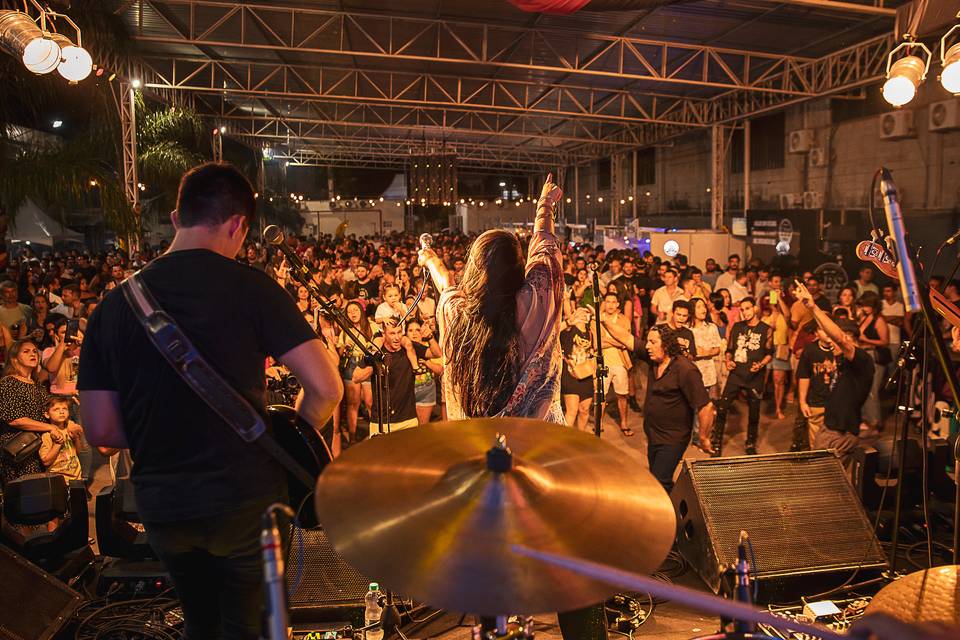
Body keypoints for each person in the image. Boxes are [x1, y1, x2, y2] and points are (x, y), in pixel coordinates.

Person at [78, 162, 343, 640]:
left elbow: (101, 432)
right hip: (246, 502)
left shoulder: (114, 306)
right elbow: (327, 388)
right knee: (255, 627)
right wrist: (291, 438)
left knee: (201, 624)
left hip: (164, 504)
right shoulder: (254, 289)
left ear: (177, 218)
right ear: (238, 224)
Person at [422, 175, 607, 640]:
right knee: (574, 570)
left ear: (474, 270)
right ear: (517, 268)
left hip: (479, 467)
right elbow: (545, 249)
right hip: (542, 459)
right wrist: (544, 206)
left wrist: (431, 262)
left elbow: (447, 287)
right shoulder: (538, 301)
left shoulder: (453, 313)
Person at [600, 320, 715, 489]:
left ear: (667, 345)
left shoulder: (685, 369)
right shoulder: (653, 359)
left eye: (653, 342)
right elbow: (626, 337)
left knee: (660, 481)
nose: (648, 346)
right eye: (647, 341)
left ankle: (670, 513)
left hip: (673, 438)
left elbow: (707, 407)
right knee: (656, 475)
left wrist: (704, 438)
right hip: (653, 434)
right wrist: (603, 319)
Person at [794, 280, 874, 470]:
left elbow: (840, 338)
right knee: (825, 478)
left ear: (850, 340)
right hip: (829, 428)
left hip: (841, 434)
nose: (831, 343)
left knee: (826, 479)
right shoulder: (842, 362)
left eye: (835, 340)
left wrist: (813, 307)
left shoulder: (862, 362)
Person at [1, 340, 80, 486]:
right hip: (21, 449)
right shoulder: (8, 383)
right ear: (14, 358)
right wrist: (50, 428)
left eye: (34, 351)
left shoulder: (37, 385)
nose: (33, 354)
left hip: (40, 447)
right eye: (26, 351)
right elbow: (14, 419)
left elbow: (50, 411)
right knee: (26, 495)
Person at [710, 297, 773, 456]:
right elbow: (730, 349)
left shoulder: (766, 329)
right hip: (736, 374)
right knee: (723, 407)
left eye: (747, 308)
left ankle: (751, 443)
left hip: (754, 376)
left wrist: (760, 365)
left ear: (755, 309)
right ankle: (716, 443)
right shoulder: (737, 327)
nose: (745, 312)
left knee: (754, 411)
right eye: (742, 309)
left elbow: (769, 353)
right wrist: (728, 360)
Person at [352, 319, 419, 433]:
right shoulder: (376, 353)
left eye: (399, 332)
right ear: (384, 335)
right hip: (381, 423)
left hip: (408, 421)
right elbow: (356, 377)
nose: (397, 337)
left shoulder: (409, 348)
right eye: (392, 333)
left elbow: (436, 353)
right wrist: (375, 366)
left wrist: (430, 337)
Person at [793, 321, 839, 451]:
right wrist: (802, 402)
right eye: (823, 330)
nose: (827, 333)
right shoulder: (810, 350)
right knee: (816, 442)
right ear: (816, 333)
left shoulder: (840, 350)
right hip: (816, 401)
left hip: (837, 402)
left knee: (835, 440)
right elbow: (804, 376)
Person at [599, 291, 635, 437]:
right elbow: (596, 344)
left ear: (618, 304)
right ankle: (599, 423)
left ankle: (624, 423)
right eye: (608, 302)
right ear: (604, 303)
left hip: (621, 362)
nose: (611, 305)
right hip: (603, 364)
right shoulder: (598, 320)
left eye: (614, 302)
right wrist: (615, 342)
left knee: (622, 395)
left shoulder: (624, 320)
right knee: (601, 396)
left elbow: (625, 341)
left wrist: (607, 341)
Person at [856, 292, 889, 435]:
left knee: (872, 391)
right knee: (863, 388)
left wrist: (866, 340)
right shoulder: (864, 317)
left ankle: (875, 423)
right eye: (863, 305)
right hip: (864, 356)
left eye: (867, 305)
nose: (865, 307)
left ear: (874, 306)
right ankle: (866, 420)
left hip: (875, 357)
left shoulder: (879, 320)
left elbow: (885, 342)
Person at [560, 306, 595, 432]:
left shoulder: (590, 333)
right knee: (572, 410)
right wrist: (569, 318)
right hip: (570, 374)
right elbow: (556, 330)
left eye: (586, 313)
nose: (584, 314)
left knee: (584, 410)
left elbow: (593, 352)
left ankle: (580, 438)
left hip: (586, 374)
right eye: (581, 311)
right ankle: (564, 442)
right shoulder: (569, 329)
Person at [405, 320, 443, 426]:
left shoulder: (431, 347)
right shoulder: (403, 348)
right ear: (405, 333)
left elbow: (441, 370)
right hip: (407, 392)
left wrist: (427, 363)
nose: (414, 333)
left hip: (426, 391)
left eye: (417, 330)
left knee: (421, 429)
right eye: (410, 330)